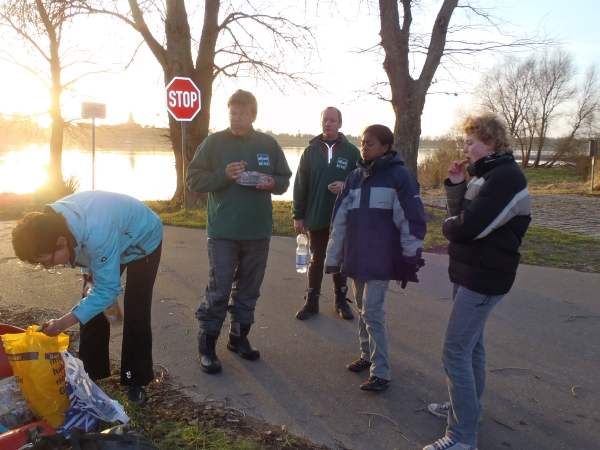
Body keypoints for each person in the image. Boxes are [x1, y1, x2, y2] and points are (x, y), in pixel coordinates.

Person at [423, 114, 531, 450]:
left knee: (454, 351)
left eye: (471, 142)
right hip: (470, 271)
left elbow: (466, 227)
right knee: (472, 347)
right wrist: (455, 186)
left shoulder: (505, 178)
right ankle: (466, 408)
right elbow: (460, 215)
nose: (465, 148)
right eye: (465, 142)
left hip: (484, 278)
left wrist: (449, 228)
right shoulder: (484, 176)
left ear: (492, 142)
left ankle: (462, 436)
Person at [11, 191, 163, 404]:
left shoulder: (96, 231)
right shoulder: (53, 223)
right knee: (91, 308)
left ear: (61, 242)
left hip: (142, 239)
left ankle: (134, 379)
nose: (46, 267)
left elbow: (108, 288)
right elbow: (83, 248)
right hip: (110, 237)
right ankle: (91, 373)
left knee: (136, 309)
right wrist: (90, 271)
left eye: (45, 260)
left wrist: (63, 322)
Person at [186, 89, 292, 374]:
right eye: (233, 112)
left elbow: (284, 179)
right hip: (223, 232)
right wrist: (223, 175)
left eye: (243, 113)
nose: (237, 118)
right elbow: (193, 180)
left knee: (248, 290)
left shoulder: (267, 143)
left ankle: (238, 339)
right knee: (219, 290)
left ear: (253, 115)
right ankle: (207, 347)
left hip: (258, 231)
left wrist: (272, 183)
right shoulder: (214, 142)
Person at [325, 124, 427, 391]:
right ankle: (366, 355)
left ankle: (381, 371)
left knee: (372, 312)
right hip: (357, 258)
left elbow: (411, 220)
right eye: (362, 142)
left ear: (385, 147)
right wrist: (334, 257)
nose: (364, 146)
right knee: (361, 310)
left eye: (370, 143)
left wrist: (410, 258)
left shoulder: (400, 177)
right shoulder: (355, 177)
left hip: (382, 260)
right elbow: (340, 221)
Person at [292, 107, 360, 321]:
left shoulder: (351, 151)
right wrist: (298, 215)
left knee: (339, 259)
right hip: (317, 215)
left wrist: (345, 185)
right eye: (325, 120)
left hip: (344, 217)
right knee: (317, 259)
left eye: (332, 120)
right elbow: (300, 186)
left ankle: (341, 302)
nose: (328, 124)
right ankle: (311, 302)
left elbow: (362, 181)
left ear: (340, 123)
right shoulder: (310, 151)